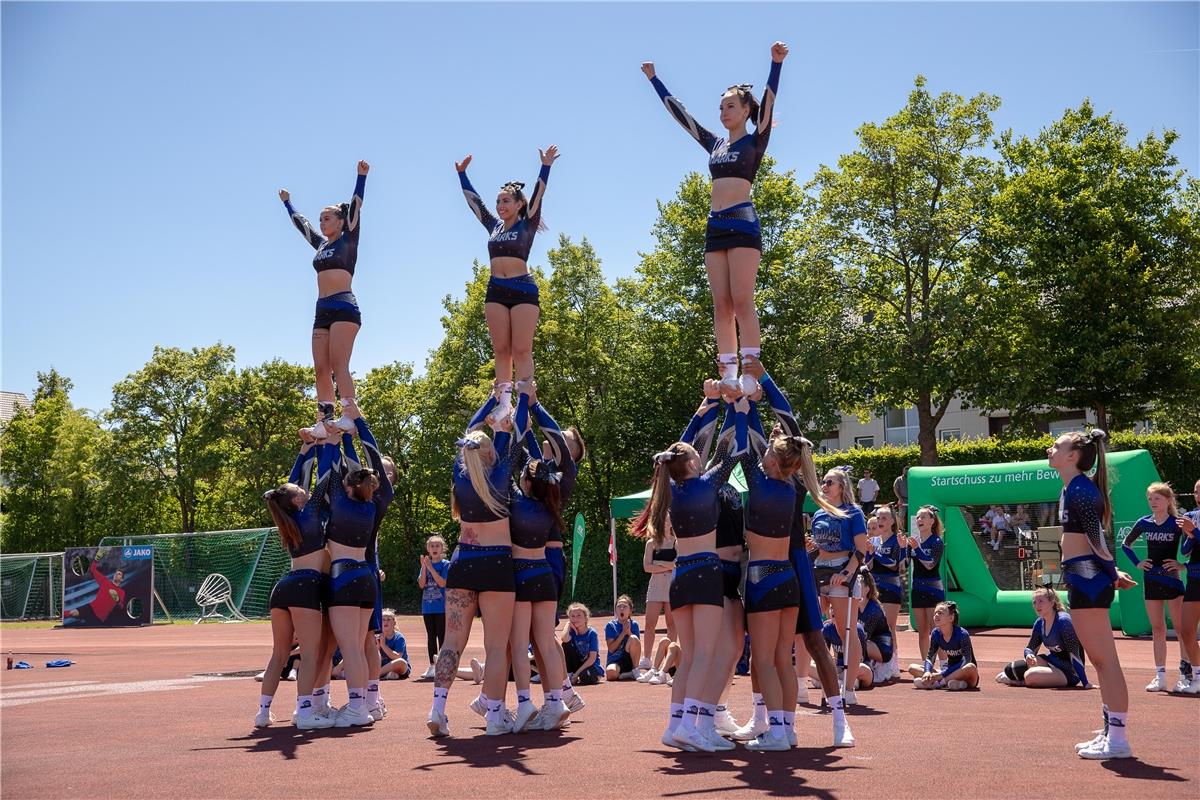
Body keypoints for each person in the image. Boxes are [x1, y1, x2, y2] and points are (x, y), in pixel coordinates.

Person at [641, 42, 788, 396]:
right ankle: (728, 371)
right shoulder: (715, 144)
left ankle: (751, 371)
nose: (723, 112)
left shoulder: (755, 141)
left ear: (745, 109)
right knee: (720, 305)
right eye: (720, 107)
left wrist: (775, 63)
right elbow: (683, 117)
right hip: (715, 226)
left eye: (730, 106)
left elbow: (769, 103)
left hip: (742, 222)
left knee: (742, 301)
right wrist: (655, 80)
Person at [738, 368, 846, 750]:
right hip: (785, 570)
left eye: (775, 442)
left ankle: (830, 718)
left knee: (793, 648)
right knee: (777, 655)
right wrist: (759, 389)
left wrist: (747, 397)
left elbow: (754, 439)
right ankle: (771, 721)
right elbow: (778, 430)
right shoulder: (788, 483)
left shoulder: (776, 478)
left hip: (776, 570)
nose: (772, 441)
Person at [635, 386, 743, 753]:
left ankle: (676, 725)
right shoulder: (704, 482)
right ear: (694, 464)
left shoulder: (668, 486)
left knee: (690, 654)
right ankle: (696, 726)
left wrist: (704, 410)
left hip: (679, 576)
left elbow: (680, 451)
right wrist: (735, 408)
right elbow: (731, 449)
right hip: (707, 572)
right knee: (705, 656)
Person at [427, 392, 527, 738]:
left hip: (463, 562)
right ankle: (495, 715)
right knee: (496, 646)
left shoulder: (460, 476)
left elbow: (469, 430)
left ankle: (437, 708)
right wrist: (518, 402)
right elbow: (520, 431)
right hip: (496, 564)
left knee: (451, 642)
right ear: (488, 452)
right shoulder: (499, 474)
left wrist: (490, 402)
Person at [1048, 430, 1137, 759]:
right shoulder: (1072, 487)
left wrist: (1112, 572)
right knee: (1101, 662)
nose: (1051, 448)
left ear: (1073, 456)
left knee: (1105, 661)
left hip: (1088, 577)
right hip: (1082, 576)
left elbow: (1096, 538)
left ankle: (1118, 740)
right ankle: (1109, 732)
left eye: (1057, 446)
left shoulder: (1082, 490)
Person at [456, 148, 559, 423]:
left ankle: (525, 399)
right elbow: (474, 203)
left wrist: (545, 167)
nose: (500, 206)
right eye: (498, 201)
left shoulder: (527, 223)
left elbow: (538, 194)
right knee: (501, 350)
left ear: (518, 205)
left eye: (505, 201)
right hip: (496, 290)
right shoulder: (494, 227)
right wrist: (462, 174)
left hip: (523, 289)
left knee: (521, 350)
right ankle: (503, 402)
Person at [279, 161, 369, 438]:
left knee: (339, 365)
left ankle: (349, 414)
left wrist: (361, 177)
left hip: (344, 306)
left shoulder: (349, 239)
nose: (322, 222)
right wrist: (288, 204)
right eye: (321, 219)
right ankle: (324, 417)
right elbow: (302, 226)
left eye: (327, 218)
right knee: (321, 368)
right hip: (322, 310)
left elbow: (356, 206)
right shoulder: (321, 245)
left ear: (341, 221)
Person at [322, 413, 393, 728]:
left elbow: (331, 469)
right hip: (367, 575)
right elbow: (364, 464)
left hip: (345, 575)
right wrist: (354, 431)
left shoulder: (341, 501)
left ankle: (358, 706)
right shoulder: (374, 503)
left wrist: (332, 436)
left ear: (351, 485)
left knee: (351, 645)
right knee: (363, 643)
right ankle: (365, 702)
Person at [260, 436, 335, 730]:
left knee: (279, 655)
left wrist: (305, 450)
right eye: (299, 490)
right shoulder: (311, 511)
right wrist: (329, 443)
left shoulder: (286, 519)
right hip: (306, 586)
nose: (303, 489)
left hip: (283, 587)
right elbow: (326, 477)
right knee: (311, 653)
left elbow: (294, 487)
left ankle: (263, 712)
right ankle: (304, 712)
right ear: (296, 500)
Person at [505, 407, 572, 733]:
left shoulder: (517, 500)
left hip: (520, 575)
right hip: (544, 574)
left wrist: (517, 423)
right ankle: (557, 701)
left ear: (528, 482)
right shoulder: (551, 504)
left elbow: (511, 460)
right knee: (546, 641)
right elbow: (529, 464)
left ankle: (524, 704)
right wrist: (531, 417)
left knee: (520, 644)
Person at [1122, 482, 1192, 693]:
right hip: (1151, 578)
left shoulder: (1177, 523)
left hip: (1172, 579)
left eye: (1157, 498)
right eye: (1150, 499)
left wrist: (1182, 564)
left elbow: (1190, 547)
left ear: (1168, 500)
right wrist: (1137, 563)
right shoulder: (1144, 523)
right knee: (1158, 629)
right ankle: (1160, 676)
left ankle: (1185, 674)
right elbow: (1126, 544)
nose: (1153, 502)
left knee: (1181, 629)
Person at [809, 467, 869, 704]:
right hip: (818, 570)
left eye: (829, 482)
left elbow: (861, 549)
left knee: (847, 629)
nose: (824, 486)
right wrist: (810, 546)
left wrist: (846, 572)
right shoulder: (819, 514)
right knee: (815, 626)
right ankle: (825, 679)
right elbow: (819, 545)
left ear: (842, 486)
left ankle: (849, 687)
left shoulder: (853, 513)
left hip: (842, 570)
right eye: (823, 482)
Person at [996, 587, 1088, 688]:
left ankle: (1019, 681)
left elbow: (1074, 655)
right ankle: (1023, 677)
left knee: (1030, 676)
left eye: (1041, 601)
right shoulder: (1040, 623)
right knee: (1012, 668)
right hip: (1051, 661)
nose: (1037, 605)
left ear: (1052, 603)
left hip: (1069, 671)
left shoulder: (1063, 621)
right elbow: (1030, 647)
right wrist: (1029, 655)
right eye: (1034, 602)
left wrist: (1085, 683)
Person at [868, 504, 906, 680]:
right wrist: (868, 553)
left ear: (892, 521)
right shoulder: (874, 541)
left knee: (889, 627)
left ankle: (892, 663)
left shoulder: (896, 541)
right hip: (874, 590)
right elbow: (868, 565)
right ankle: (877, 660)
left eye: (884, 518)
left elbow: (893, 564)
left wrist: (874, 553)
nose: (880, 521)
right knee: (874, 626)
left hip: (890, 589)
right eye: (878, 517)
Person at [908, 601, 978, 690]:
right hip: (948, 672)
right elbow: (930, 657)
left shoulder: (962, 634)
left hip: (966, 673)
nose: (936, 615)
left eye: (940, 613)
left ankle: (939, 683)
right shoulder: (935, 633)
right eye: (935, 613)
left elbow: (966, 660)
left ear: (951, 618)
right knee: (912, 668)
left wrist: (941, 675)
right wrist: (927, 671)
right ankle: (952, 683)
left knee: (970, 667)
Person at [907, 505, 946, 664]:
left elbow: (930, 565)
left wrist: (918, 548)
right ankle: (926, 665)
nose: (919, 520)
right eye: (917, 517)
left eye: (923, 517)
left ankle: (944, 664)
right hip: (917, 588)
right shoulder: (913, 542)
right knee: (922, 632)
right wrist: (904, 549)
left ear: (932, 520)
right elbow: (903, 566)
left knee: (935, 630)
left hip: (933, 589)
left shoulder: (937, 541)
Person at [642, 524, 677, 671]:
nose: (666, 522)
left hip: (672, 584)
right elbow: (647, 567)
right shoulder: (651, 543)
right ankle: (647, 659)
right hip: (655, 585)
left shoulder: (677, 542)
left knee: (672, 624)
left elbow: (678, 564)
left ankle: (671, 658)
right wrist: (668, 565)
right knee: (650, 623)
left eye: (669, 519)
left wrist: (659, 563)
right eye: (663, 519)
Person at [1176, 478, 1200, 694]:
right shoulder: (1191, 516)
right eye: (1195, 491)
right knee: (1186, 630)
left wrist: (1195, 532)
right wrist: (1191, 534)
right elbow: (1185, 551)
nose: (1197, 495)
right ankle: (1198, 676)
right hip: (1194, 580)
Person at [417, 535, 451, 680]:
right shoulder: (425, 564)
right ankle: (432, 666)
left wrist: (430, 567)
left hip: (442, 607)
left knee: (442, 636)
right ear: (428, 549)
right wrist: (424, 567)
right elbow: (421, 584)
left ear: (442, 548)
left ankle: (443, 666)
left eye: (437, 546)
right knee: (431, 636)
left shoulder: (445, 565)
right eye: (432, 546)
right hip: (428, 607)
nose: (435, 548)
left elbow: (442, 583)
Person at [857, 572, 895, 685]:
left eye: (858, 587)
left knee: (855, 642)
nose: (854, 589)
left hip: (882, 649)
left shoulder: (874, 609)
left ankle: (866, 665)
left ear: (867, 589)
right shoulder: (854, 606)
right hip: (868, 644)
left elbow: (864, 636)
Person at [561, 603, 604, 685]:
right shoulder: (570, 631)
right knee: (565, 644)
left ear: (585, 618)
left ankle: (595, 675)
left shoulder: (592, 633)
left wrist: (577, 673)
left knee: (585, 677)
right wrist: (568, 624)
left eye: (578, 615)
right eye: (572, 616)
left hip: (589, 665)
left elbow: (592, 658)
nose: (575, 618)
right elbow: (564, 639)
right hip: (576, 663)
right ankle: (569, 674)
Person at [605, 595, 644, 681]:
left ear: (630, 611)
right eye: (619, 606)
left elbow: (636, 645)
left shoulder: (634, 624)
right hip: (615, 660)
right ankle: (627, 674)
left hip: (630, 659)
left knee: (633, 637)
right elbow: (611, 649)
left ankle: (635, 670)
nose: (621, 608)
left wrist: (629, 632)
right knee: (611, 674)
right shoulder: (610, 626)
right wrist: (623, 633)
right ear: (615, 610)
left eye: (625, 606)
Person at [378, 610, 410, 680]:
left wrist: (383, 645)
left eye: (389, 619)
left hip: (399, 668)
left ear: (394, 623)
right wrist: (377, 647)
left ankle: (375, 675)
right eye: (383, 620)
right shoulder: (377, 636)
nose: (386, 622)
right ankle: (385, 674)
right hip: (381, 666)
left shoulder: (399, 637)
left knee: (401, 662)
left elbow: (397, 657)